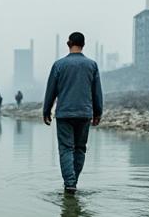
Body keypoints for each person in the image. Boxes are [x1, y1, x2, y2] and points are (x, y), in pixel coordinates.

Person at [42, 31, 104, 194]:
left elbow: (51, 90)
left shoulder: (59, 65)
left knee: (66, 148)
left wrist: (46, 110)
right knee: (80, 148)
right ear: (83, 45)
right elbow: (97, 92)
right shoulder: (92, 65)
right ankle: (73, 181)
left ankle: (69, 183)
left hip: (64, 113)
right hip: (84, 113)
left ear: (68, 44)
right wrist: (98, 113)